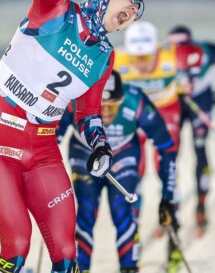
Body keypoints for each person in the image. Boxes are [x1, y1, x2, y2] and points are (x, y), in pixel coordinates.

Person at [0, 0, 145, 273]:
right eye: (130, 0)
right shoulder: (60, 12)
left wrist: (101, 147)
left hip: (43, 148)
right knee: (17, 244)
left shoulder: (104, 57)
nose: (133, 11)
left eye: (137, 12)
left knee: (66, 253)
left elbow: (88, 114)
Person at [57, 70, 178, 273]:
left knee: (122, 210)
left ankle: (129, 267)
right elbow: (50, 139)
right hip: (85, 154)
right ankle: (80, 268)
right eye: (99, 106)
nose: (105, 113)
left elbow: (166, 147)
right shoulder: (76, 100)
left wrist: (167, 197)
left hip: (123, 154)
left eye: (112, 106)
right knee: (86, 211)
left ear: (122, 100)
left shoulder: (136, 101)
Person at [113, 21, 198, 272]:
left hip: (164, 111)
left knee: (167, 171)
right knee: (133, 175)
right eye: (136, 56)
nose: (141, 62)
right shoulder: (116, 60)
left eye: (147, 56)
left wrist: (186, 85)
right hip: (133, 114)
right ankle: (133, 239)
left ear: (157, 49)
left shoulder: (172, 57)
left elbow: (193, 79)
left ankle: (173, 238)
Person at [166, 25, 215, 238]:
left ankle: (201, 204)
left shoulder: (205, 49)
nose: (179, 49)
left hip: (200, 102)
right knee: (170, 153)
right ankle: (169, 204)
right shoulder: (163, 53)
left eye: (183, 45)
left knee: (200, 149)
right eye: (174, 45)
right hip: (175, 103)